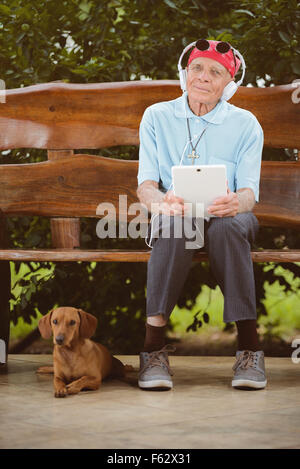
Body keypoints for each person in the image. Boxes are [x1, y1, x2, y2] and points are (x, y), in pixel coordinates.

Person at [136, 39, 266, 391]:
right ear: (184, 73)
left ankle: (250, 349)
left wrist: (236, 202)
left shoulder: (246, 124)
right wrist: (163, 202)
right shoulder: (157, 117)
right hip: (178, 213)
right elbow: (145, 187)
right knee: (176, 223)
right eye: (197, 68)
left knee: (227, 228)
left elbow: (250, 193)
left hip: (230, 216)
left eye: (215, 71)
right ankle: (152, 350)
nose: (204, 77)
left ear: (230, 84)